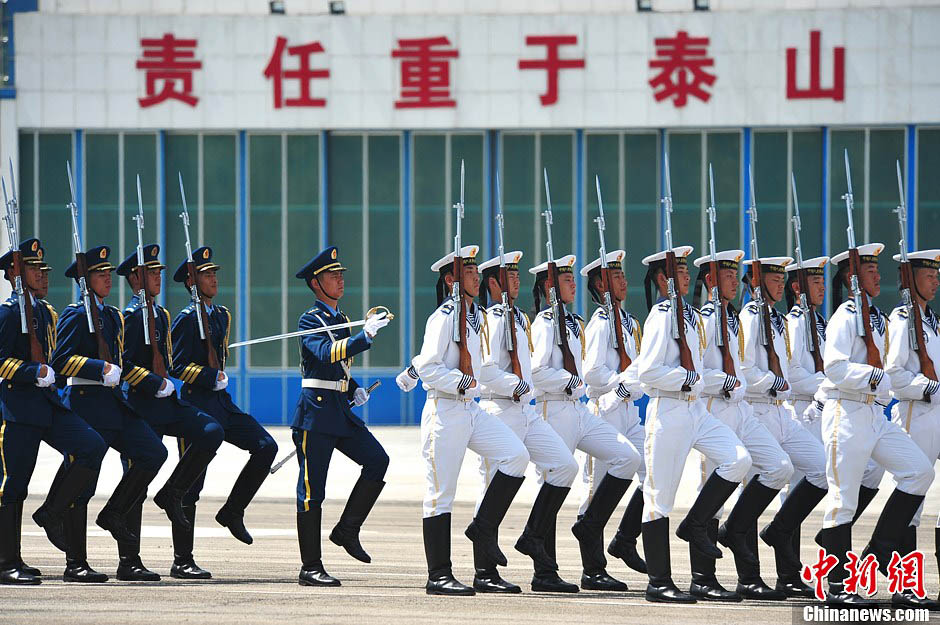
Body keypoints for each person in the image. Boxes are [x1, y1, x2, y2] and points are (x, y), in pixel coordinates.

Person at [815, 243, 934, 605]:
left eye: (878, 269)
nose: (878, 275)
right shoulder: (845, 315)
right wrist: (873, 375)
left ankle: (880, 549)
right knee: (842, 499)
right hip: (845, 412)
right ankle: (837, 587)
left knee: (918, 472)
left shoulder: (876, 318)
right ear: (852, 278)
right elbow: (833, 366)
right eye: (869, 271)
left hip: (874, 414)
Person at [635, 245, 751, 604]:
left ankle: (695, 524)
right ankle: (659, 582)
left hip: (696, 409)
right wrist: (684, 378)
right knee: (660, 498)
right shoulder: (661, 315)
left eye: (687, 271)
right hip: (668, 409)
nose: (687, 277)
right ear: (662, 279)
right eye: (680, 272)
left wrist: (696, 381)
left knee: (738, 460)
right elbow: (647, 372)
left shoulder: (690, 316)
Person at [44, 245, 168, 582]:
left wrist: (149, 379)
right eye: (99, 275)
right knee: (83, 485)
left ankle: (114, 513)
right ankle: (76, 562)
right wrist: (99, 368)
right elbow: (60, 361)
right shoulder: (74, 313)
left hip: (113, 403)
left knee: (153, 452)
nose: (107, 280)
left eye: (108, 274)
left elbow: (121, 363)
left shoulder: (112, 316)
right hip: (85, 403)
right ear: (85, 281)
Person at [413, 244, 530, 596]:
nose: (476, 278)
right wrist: (459, 380)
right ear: (451, 279)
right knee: (440, 494)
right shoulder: (445, 316)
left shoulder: (475, 316)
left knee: (515, 455)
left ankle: (483, 528)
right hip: (445, 409)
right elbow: (428, 368)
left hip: (471, 409)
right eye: (468, 272)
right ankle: (439, 574)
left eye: (477, 272)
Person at [528, 253, 642, 592]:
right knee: (555, 483)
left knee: (629, 457)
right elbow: (538, 371)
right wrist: (571, 382)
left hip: (578, 408)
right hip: (555, 408)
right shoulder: (548, 322)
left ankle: (593, 534)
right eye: (565, 280)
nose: (572, 284)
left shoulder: (579, 321)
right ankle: (546, 571)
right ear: (550, 287)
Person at [0, 239, 107, 585]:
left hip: (48, 403)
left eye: (45, 271)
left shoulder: (47, 312)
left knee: (91, 445)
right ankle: (7, 563)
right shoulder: (6, 312)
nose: (44, 276)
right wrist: (33, 372)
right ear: (15, 273)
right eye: (35, 270)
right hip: (17, 407)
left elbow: (55, 358)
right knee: (14, 484)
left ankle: (51, 512)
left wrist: (54, 373)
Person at [116, 244, 224, 580]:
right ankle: (129, 560)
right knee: (137, 481)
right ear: (135, 278)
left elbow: (170, 360)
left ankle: (182, 555)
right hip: (139, 404)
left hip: (165, 404)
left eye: (160, 271)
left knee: (208, 435)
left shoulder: (160, 316)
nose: (158, 277)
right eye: (151, 272)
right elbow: (124, 365)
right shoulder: (131, 317)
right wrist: (152, 382)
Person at [475, 250, 579, 593]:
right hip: (500, 407)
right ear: (493, 283)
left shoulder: (519, 317)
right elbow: (485, 370)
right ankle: (485, 571)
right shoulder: (490, 319)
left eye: (519, 275)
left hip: (527, 410)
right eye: (510, 275)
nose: (517, 280)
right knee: (492, 486)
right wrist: (513, 384)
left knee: (564, 466)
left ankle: (532, 536)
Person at [292, 246, 391, 587]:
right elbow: (324, 354)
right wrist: (364, 337)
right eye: (333, 276)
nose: (340, 280)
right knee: (312, 489)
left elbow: (340, 366)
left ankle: (347, 530)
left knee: (378, 460)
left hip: (338, 410)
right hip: (316, 413)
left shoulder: (339, 319)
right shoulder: (310, 320)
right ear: (316, 284)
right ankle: (311, 566)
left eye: (341, 274)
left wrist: (353, 389)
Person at [170, 246, 278, 547]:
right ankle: (183, 558)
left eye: (215, 273)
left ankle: (233, 511)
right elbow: (175, 365)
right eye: (207, 274)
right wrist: (207, 376)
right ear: (192, 282)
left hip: (221, 401)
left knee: (265, 446)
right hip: (196, 404)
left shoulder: (220, 315)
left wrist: (218, 378)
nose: (214, 278)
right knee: (191, 483)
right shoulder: (186, 318)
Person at [579, 250, 649, 578]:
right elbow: (591, 371)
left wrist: (630, 386)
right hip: (604, 409)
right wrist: (618, 383)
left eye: (623, 276)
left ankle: (625, 538)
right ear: (601, 285)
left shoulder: (629, 323)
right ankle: (592, 568)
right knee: (596, 488)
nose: (625, 282)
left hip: (629, 411)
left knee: (655, 471)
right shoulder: (600, 323)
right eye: (617, 278)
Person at [884, 248, 940, 609]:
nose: (935, 280)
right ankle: (905, 587)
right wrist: (927, 387)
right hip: (914, 413)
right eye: (929, 274)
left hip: (937, 415)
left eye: (937, 275)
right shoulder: (903, 319)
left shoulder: (931, 320)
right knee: (913, 501)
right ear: (911, 279)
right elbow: (893, 374)